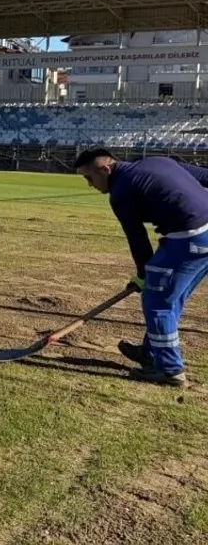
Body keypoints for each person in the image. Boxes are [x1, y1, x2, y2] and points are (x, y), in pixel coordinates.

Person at [74, 148, 208, 387]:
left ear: (105, 169)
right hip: (200, 233)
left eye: (89, 178)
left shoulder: (120, 192)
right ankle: (151, 352)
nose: (89, 184)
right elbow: (205, 176)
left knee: (158, 304)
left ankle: (169, 371)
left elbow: (137, 239)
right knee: (170, 296)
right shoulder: (160, 161)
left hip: (189, 238)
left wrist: (144, 275)